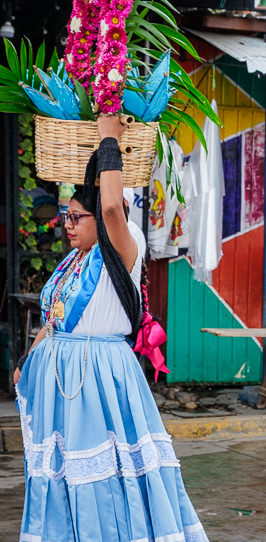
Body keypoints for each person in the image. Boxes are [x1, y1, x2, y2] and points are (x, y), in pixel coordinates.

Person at [13, 116, 207, 541]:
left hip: (99, 377)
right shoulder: (73, 260)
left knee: (104, 471)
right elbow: (56, 317)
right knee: (64, 472)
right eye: (66, 215)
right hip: (61, 381)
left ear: (97, 221)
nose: (68, 224)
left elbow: (112, 206)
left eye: (77, 217)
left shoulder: (122, 245)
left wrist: (108, 141)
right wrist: (29, 360)